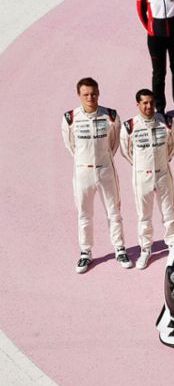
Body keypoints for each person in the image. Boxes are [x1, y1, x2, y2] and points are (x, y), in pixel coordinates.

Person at [64, 78, 130, 272]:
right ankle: (85, 252)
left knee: (114, 212)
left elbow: (114, 143)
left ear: (98, 93)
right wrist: (84, 162)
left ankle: (119, 248)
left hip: (105, 169)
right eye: (85, 94)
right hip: (83, 171)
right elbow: (71, 146)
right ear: (79, 95)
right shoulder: (70, 118)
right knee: (84, 214)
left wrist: (104, 160)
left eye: (93, 93)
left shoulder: (111, 116)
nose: (90, 97)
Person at [120, 89, 174, 269]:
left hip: (162, 173)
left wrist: (161, 163)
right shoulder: (129, 126)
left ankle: (172, 245)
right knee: (144, 215)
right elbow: (126, 150)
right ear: (138, 104)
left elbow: (173, 146)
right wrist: (142, 166)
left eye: (151, 102)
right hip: (141, 176)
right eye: (144, 103)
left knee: (169, 212)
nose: (149, 106)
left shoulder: (167, 122)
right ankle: (146, 249)